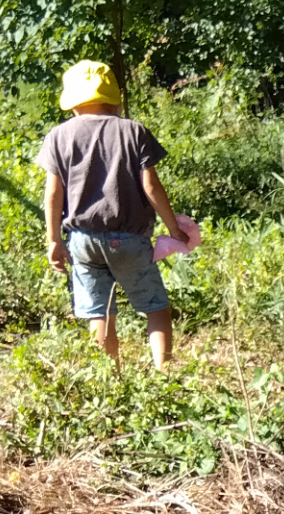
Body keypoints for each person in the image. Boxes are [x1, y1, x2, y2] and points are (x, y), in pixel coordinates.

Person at [40, 60, 188, 368]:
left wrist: (53, 240)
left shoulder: (59, 136)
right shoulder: (134, 131)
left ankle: (110, 377)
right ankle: (165, 372)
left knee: (99, 312)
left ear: (73, 104)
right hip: (130, 240)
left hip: (82, 241)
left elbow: (53, 193)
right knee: (156, 307)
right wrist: (174, 230)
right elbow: (151, 186)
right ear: (115, 99)